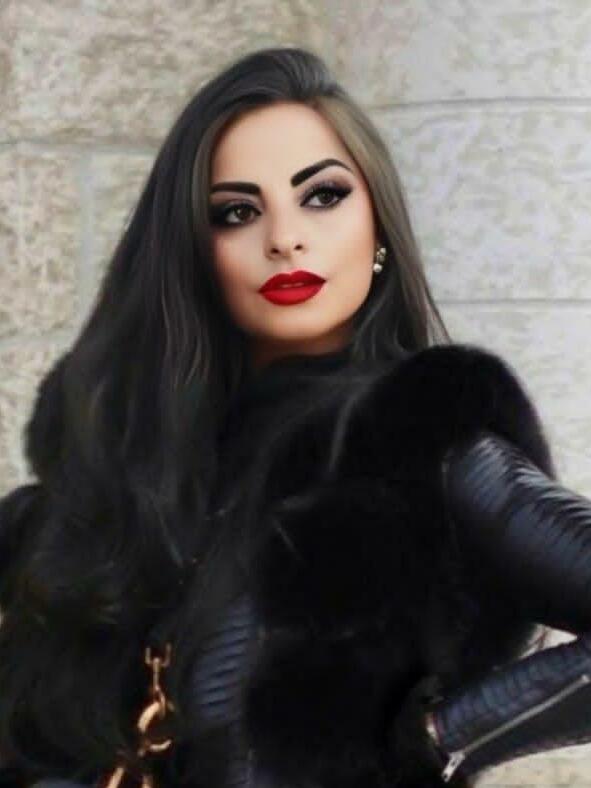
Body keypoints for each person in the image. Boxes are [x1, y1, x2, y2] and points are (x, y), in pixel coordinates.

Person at [1, 45, 591, 788]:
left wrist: (437, 735)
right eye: (237, 212)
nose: (283, 237)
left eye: (322, 195)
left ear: (378, 230)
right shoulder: (106, 483)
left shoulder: (421, 443)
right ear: (194, 253)